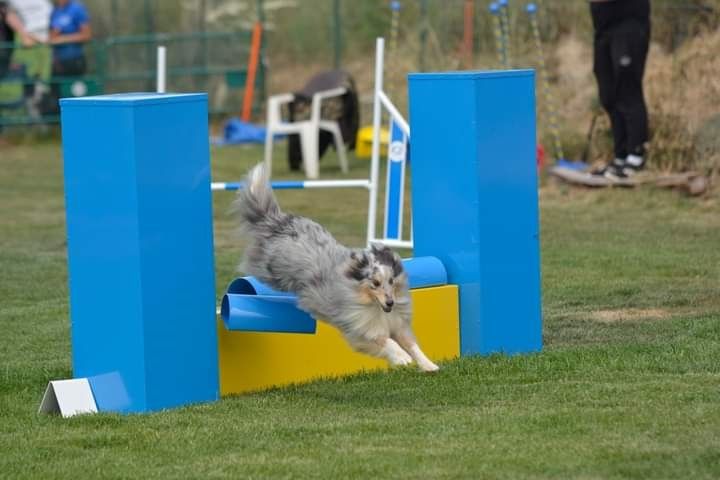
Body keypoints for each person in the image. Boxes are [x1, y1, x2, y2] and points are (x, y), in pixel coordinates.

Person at [589, 0, 651, 180]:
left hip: (629, 25)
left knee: (627, 89)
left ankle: (635, 156)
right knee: (608, 95)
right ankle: (620, 156)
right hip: (603, 27)